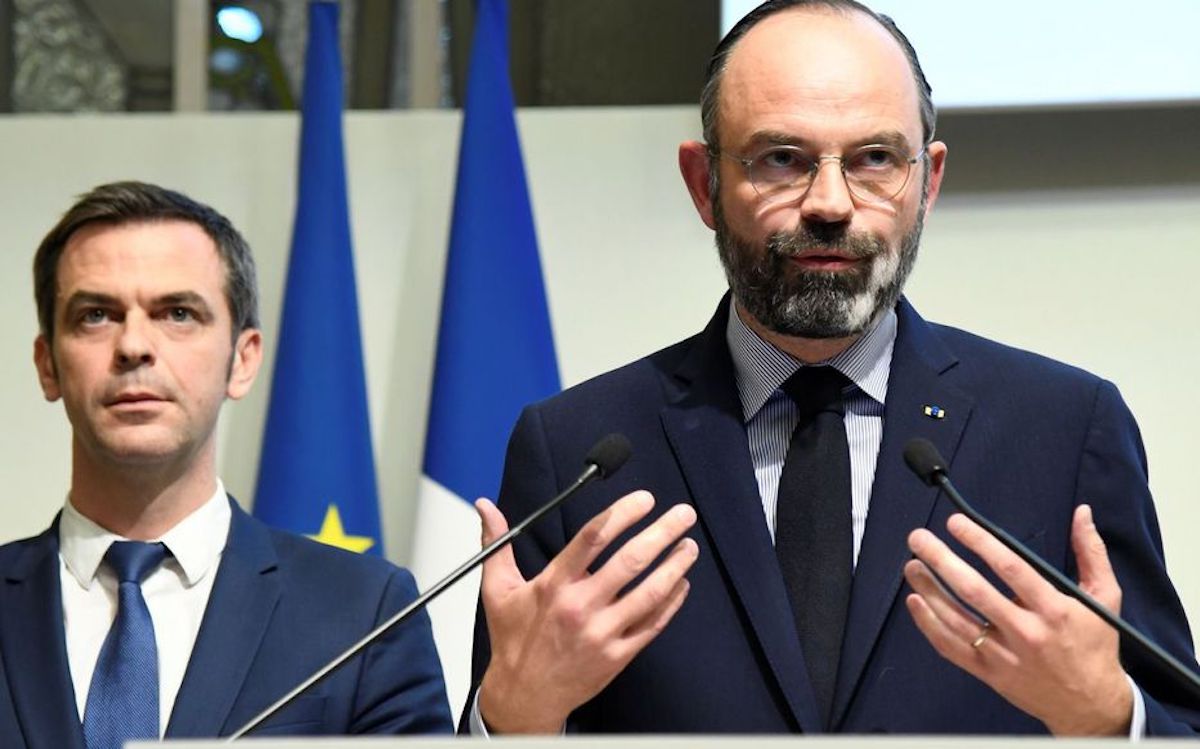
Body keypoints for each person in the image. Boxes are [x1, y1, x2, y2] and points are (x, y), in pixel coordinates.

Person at [464, 0, 1200, 737]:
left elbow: (1176, 719)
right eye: (781, 159)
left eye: (874, 159)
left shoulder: (1063, 432)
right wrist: (515, 716)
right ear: (703, 183)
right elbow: (515, 709)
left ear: (927, 182)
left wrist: (1109, 717)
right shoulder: (578, 454)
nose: (829, 203)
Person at [0, 182, 453, 747]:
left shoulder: (365, 613)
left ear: (242, 360)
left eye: (178, 313)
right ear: (47, 365)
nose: (134, 345)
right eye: (96, 315)